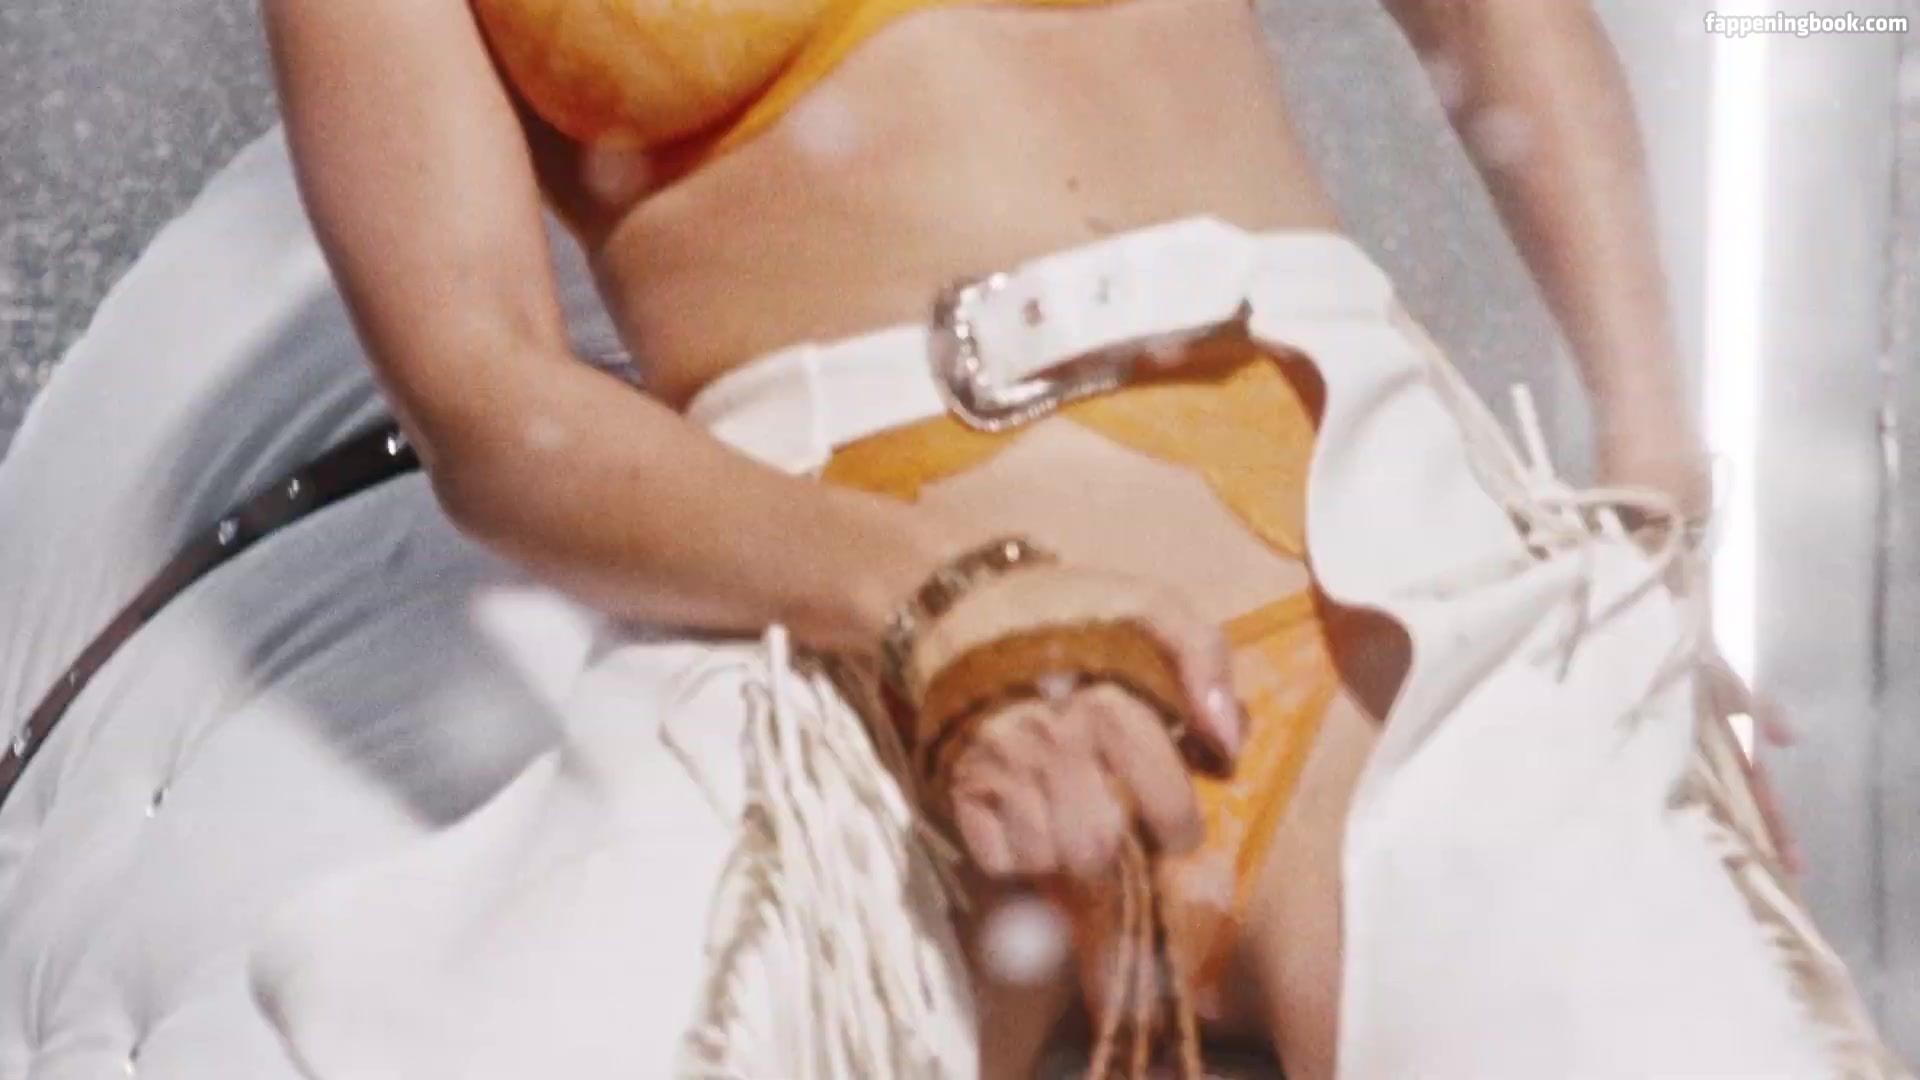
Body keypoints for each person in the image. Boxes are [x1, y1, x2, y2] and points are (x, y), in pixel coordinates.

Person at [11, 0, 1900, 1077]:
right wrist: (925, 603)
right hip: (839, 659)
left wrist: (1650, 487)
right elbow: (490, 403)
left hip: (1359, 568)